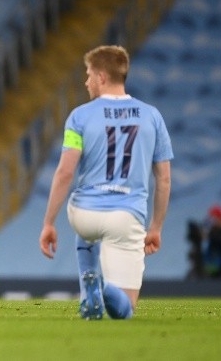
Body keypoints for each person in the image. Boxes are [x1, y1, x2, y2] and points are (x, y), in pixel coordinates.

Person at [39, 45, 173, 320]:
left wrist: (49, 222)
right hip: (127, 217)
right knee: (125, 309)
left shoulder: (79, 116)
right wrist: (156, 227)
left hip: (84, 213)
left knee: (87, 232)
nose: (86, 81)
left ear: (101, 77)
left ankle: (90, 284)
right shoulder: (152, 116)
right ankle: (102, 288)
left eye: (88, 74)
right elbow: (164, 179)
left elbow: (65, 173)